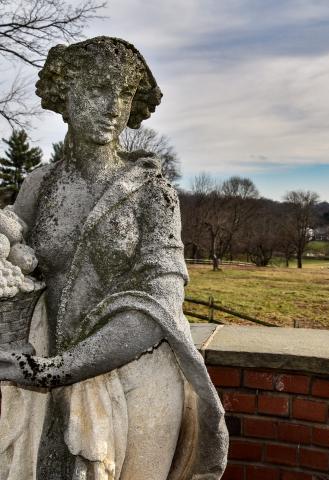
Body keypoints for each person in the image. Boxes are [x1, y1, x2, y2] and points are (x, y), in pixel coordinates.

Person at [0, 36, 228, 480]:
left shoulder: (152, 193)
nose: (112, 107)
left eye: (123, 94)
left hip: (135, 382)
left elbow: (157, 305)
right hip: (43, 384)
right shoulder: (39, 186)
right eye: (97, 89)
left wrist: (53, 371)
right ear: (66, 95)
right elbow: (11, 261)